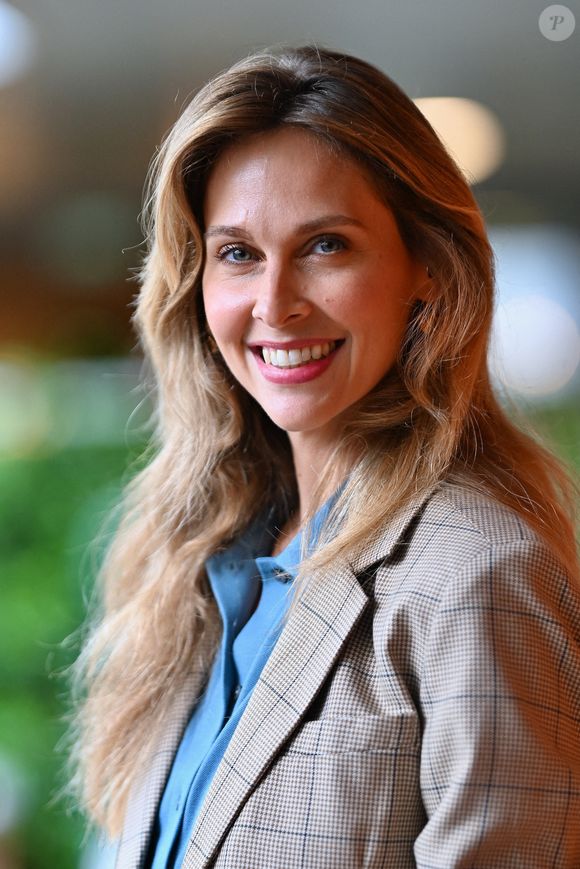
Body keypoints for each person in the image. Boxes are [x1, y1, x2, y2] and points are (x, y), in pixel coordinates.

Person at [71, 46, 580, 867]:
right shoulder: (196, 560)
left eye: (327, 246)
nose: (274, 304)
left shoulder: (478, 574)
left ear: (425, 266)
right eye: (237, 253)